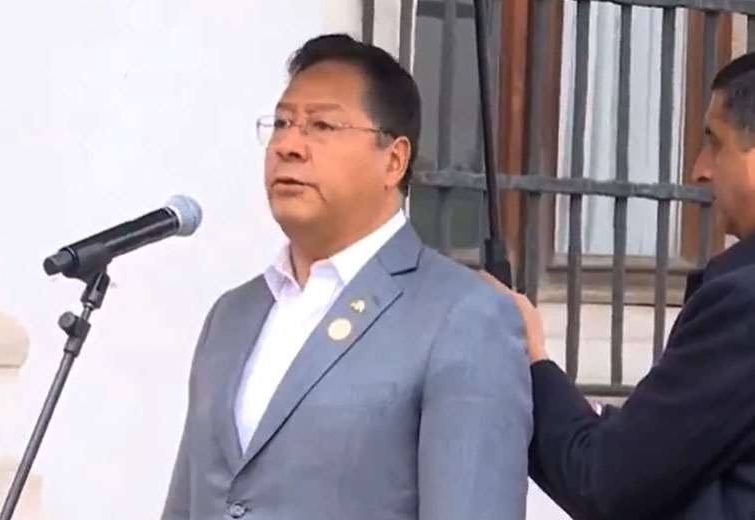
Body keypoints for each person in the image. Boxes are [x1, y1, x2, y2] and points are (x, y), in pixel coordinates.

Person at [160, 34, 532, 520]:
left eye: (321, 125)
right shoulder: (233, 315)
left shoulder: (462, 318)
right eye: (282, 123)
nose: (289, 145)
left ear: (393, 160)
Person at [490, 51, 755, 519]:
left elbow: (607, 484)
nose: (699, 169)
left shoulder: (743, 302)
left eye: (714, 142)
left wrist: (530, 358)